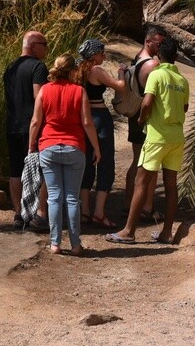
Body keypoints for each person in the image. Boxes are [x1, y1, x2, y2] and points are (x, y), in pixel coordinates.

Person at [108, 34, 188, 245]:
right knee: (171, 185)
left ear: (160, 55)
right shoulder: (182, 80)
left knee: (142, 181)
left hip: (157, 136)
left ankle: (128, 231)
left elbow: (146, 102)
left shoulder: (157, 74)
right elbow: (185, 107)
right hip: (176, 136)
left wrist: (143, 119)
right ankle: (166, 232)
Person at [28, 54, 101, 255]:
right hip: (74, 147)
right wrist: (96, 147)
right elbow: (87, 122)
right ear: (72, 71)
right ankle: (76, 244)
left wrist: (31, 144)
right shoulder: (80, 91)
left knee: (54, 197)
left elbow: (35, 121)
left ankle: (55, 243)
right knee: (71, 198)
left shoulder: (44, 90)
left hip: (49, 146)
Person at [76, 38, 125, 229]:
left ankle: (85, 211)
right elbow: (119, 86)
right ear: (94, 55)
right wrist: (121, 71)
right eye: (101, 52)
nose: (104, 56)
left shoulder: (77, 70)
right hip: (99, 117)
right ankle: (99, 212)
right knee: (105, 163)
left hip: (83, 118)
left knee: (87, 163)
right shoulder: (95, 70)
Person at [4, 30, 49, 229]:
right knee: (41, 169)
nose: (46, 49)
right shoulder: (38, 67)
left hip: (12, 125)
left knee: (16, 170)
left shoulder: (10, 67)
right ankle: (38, 213)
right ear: (32, 45)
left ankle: (17, 213)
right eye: (44, 44)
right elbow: (39, 96)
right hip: (33, 125)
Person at [123, 24, 165, 223]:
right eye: (158, 43)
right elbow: (152, 97)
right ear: (148, 41)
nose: (160, 47)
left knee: (137, 160)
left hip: (135, 116)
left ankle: (128, 202)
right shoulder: (152, 65)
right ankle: (146, 206)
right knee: (149, 165)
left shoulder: (137, 59)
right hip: (145, 117)